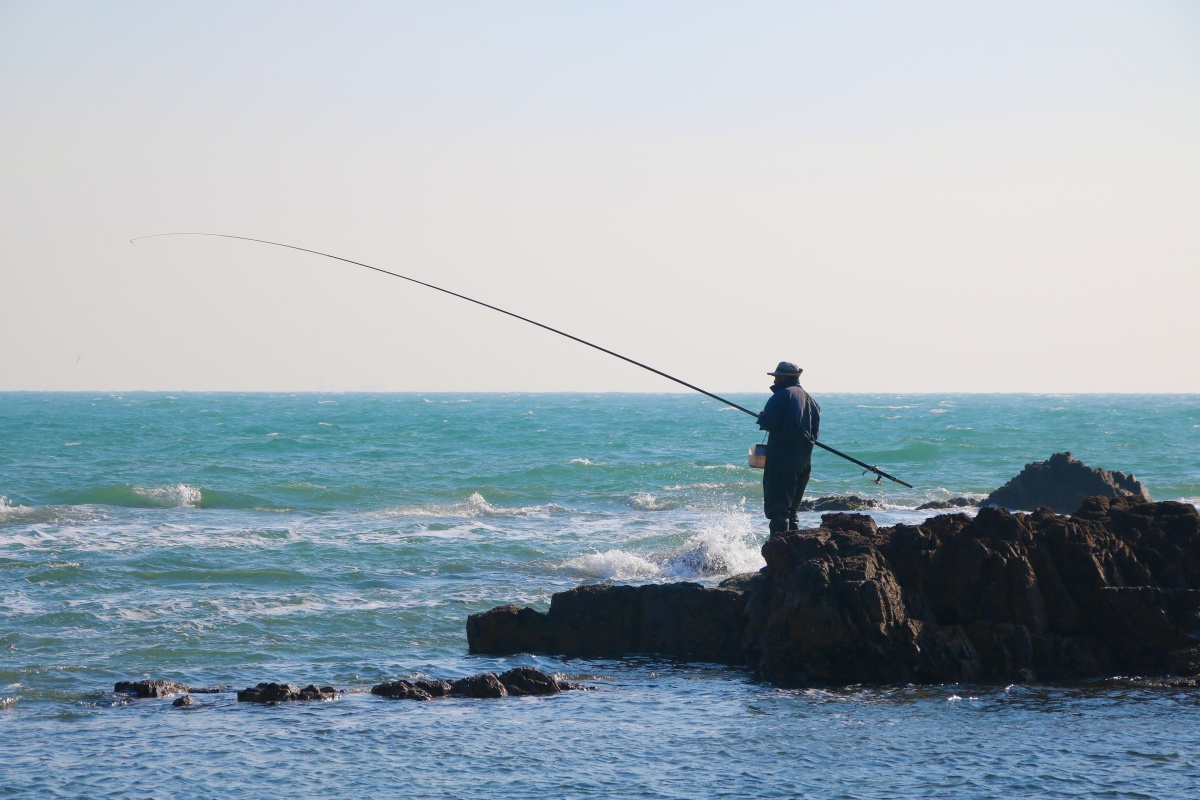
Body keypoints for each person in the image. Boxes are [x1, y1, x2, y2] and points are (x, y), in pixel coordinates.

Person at [757, 361, 820, 534]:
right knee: (792, 509)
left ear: (784, 377)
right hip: (804, 461)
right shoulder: (811, 400)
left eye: (776, 376)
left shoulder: (782, 395)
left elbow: (770, 422)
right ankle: (792, 552)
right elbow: (815, 433)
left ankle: (778, 552)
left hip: (782, 460)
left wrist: (762, 417)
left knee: (778, 509)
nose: (775, 380)